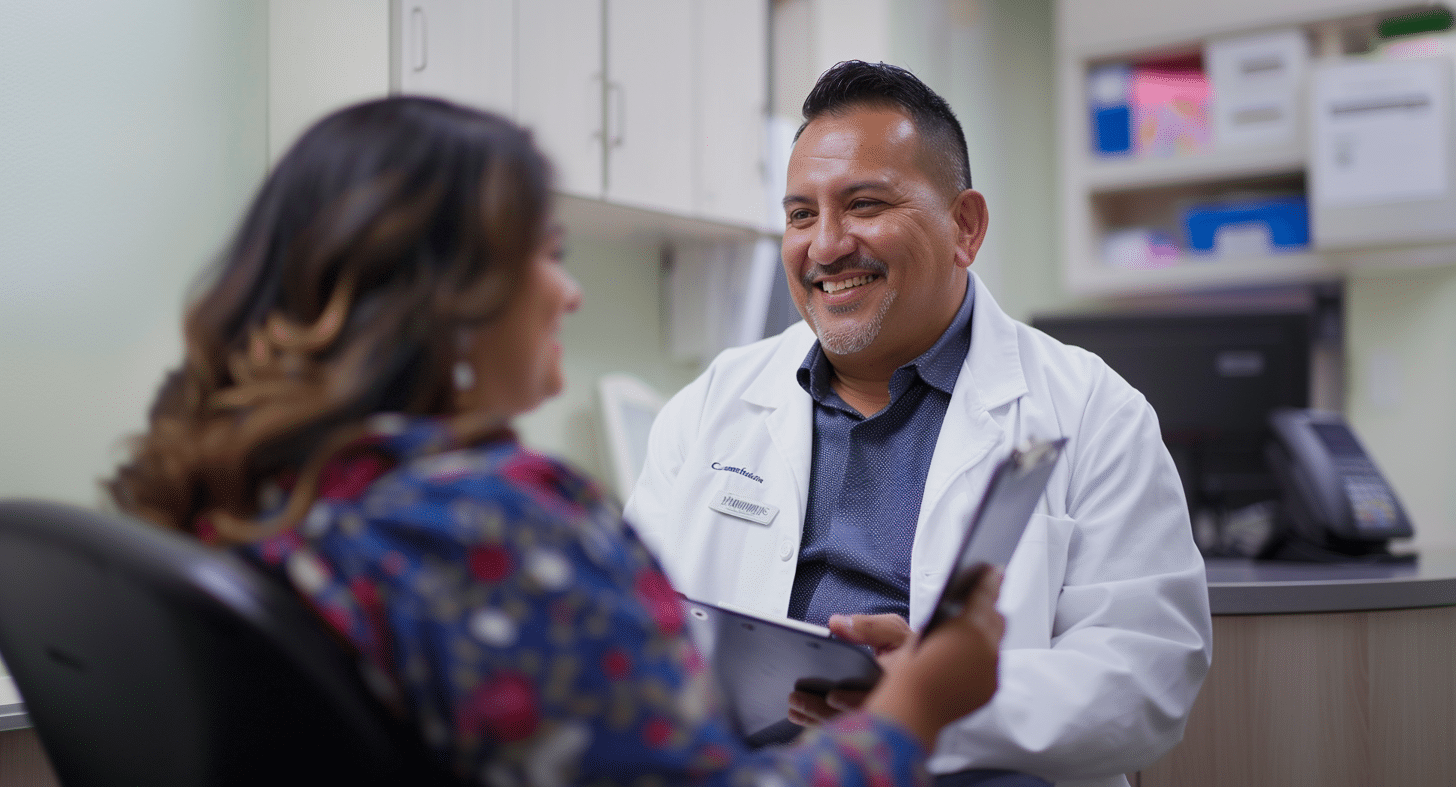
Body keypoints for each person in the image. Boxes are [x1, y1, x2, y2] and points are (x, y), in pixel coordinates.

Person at [107, 95, 1008, 786]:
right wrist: (918, 703)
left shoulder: (241, 487)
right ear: (445, 298)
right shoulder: (494, 527)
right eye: (545, 252)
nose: (568, 293)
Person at [623, 62, 1213, 787]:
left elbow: (1145, 677)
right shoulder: (713, 403)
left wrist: (934, 705)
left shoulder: (1094, 410)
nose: (827, 246)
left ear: (965, 226)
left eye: (864, 204)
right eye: (801, 214)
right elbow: (634, 634)